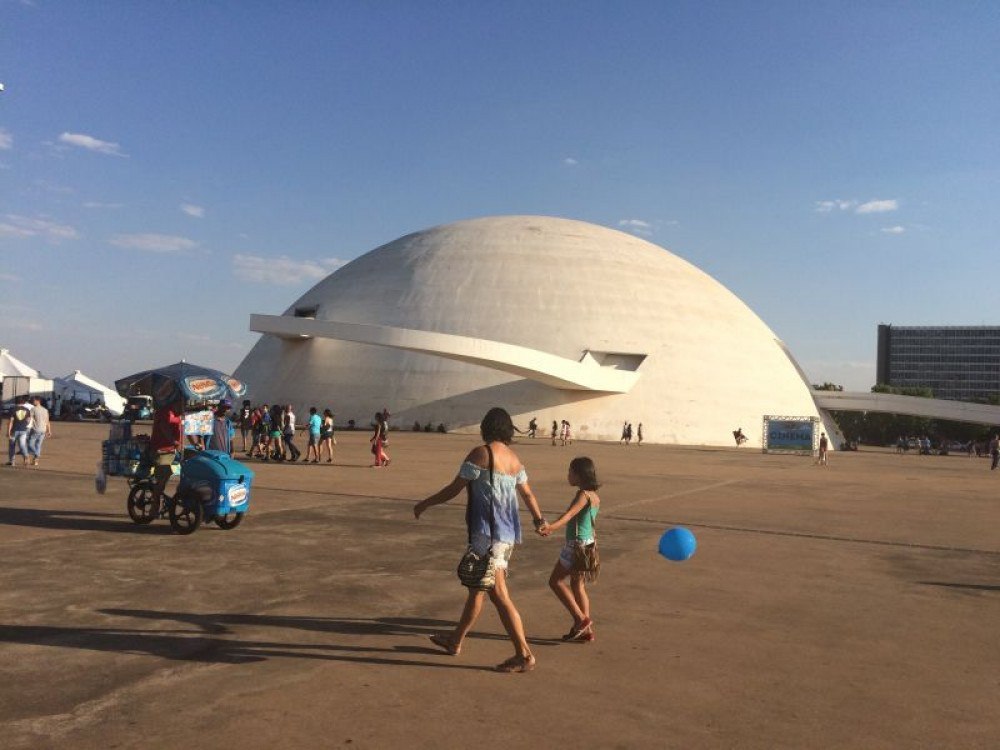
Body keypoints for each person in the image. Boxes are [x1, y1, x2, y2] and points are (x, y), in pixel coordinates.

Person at [414, 407, 547, 673]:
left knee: (499, 594)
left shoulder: (481, 453)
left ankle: (524, 654)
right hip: (507, 535)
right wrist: (538, 520)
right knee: (478, 588)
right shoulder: (513, 459)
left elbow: (454, 488)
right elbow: (528, 495)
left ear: (486, 427)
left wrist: (425, 503)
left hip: (489, 535)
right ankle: (455, 641)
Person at [540, 457, 601, 643]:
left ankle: (580, 619)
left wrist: (551, 527)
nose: (568, 475)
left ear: (579, 474)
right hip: (588, 545)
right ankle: (586, 630)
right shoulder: (595, 496)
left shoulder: (582, 495)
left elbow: (570, 514)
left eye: (570, 471)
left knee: (555, 581)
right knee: (577, 585)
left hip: (576, 546)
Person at [150, 398, 183, 510]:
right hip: (162, 451)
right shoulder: (165, 412)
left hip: (171, 451)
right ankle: (154, 507)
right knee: (161, 479)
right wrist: (174, 441)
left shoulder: (177, 414)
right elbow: (164, 428)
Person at [6, 396, 32, 467]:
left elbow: (11, 422)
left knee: (12, 445)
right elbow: (29, 420)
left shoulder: (13, 409)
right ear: (23, 402)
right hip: (23, 430)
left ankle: (12, 461)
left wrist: (8, 432)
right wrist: (25, 425)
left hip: (14, 430)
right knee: (22, 445)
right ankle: (26, 456)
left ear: (16, 402)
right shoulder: (27, 410)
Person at [27, 396, 52, 466]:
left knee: (30, 444)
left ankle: (37, 454)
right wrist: (49, 431)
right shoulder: (45, 410)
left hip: (36, 429)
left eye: (34, 400)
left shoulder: (33, 409)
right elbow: (47, 421)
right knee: (38, 445)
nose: (33, 402)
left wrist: (24, 422)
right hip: (43, 430)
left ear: (38, 401)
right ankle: (35, 461)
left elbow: (29, 419)